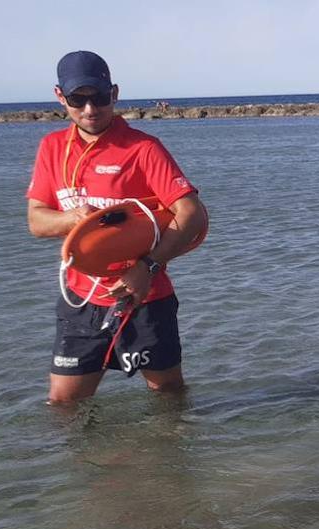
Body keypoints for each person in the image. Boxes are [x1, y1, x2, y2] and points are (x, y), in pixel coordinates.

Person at [27, 50, 208, 404]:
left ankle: (173, 458)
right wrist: (73, 218)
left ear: (115, 93)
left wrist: (147, 267)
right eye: (78, 100)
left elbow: (192, 215)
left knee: (169, 397)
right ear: (60, 96)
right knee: (63, 405)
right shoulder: (51, 149)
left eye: (99, 97)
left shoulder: (143, 149)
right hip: (81, 302)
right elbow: (36, 220)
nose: (90, 109)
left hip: (146, 298)